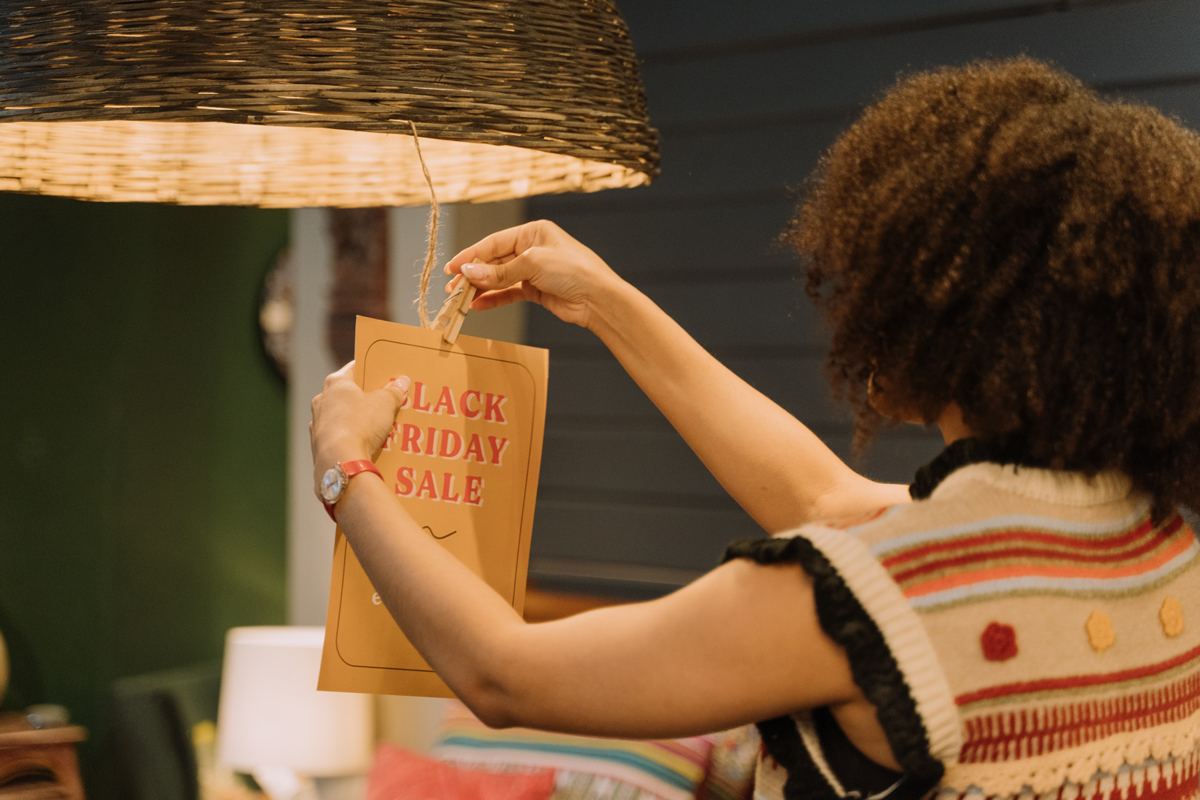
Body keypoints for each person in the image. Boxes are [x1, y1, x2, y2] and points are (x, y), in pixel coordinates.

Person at [309, 57, 1200, 800]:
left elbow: (504, 674)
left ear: (946, 306)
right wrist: (610, 304)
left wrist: (348, 466)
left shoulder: (869, 600)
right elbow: (825, 496)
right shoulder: (1148, 542)